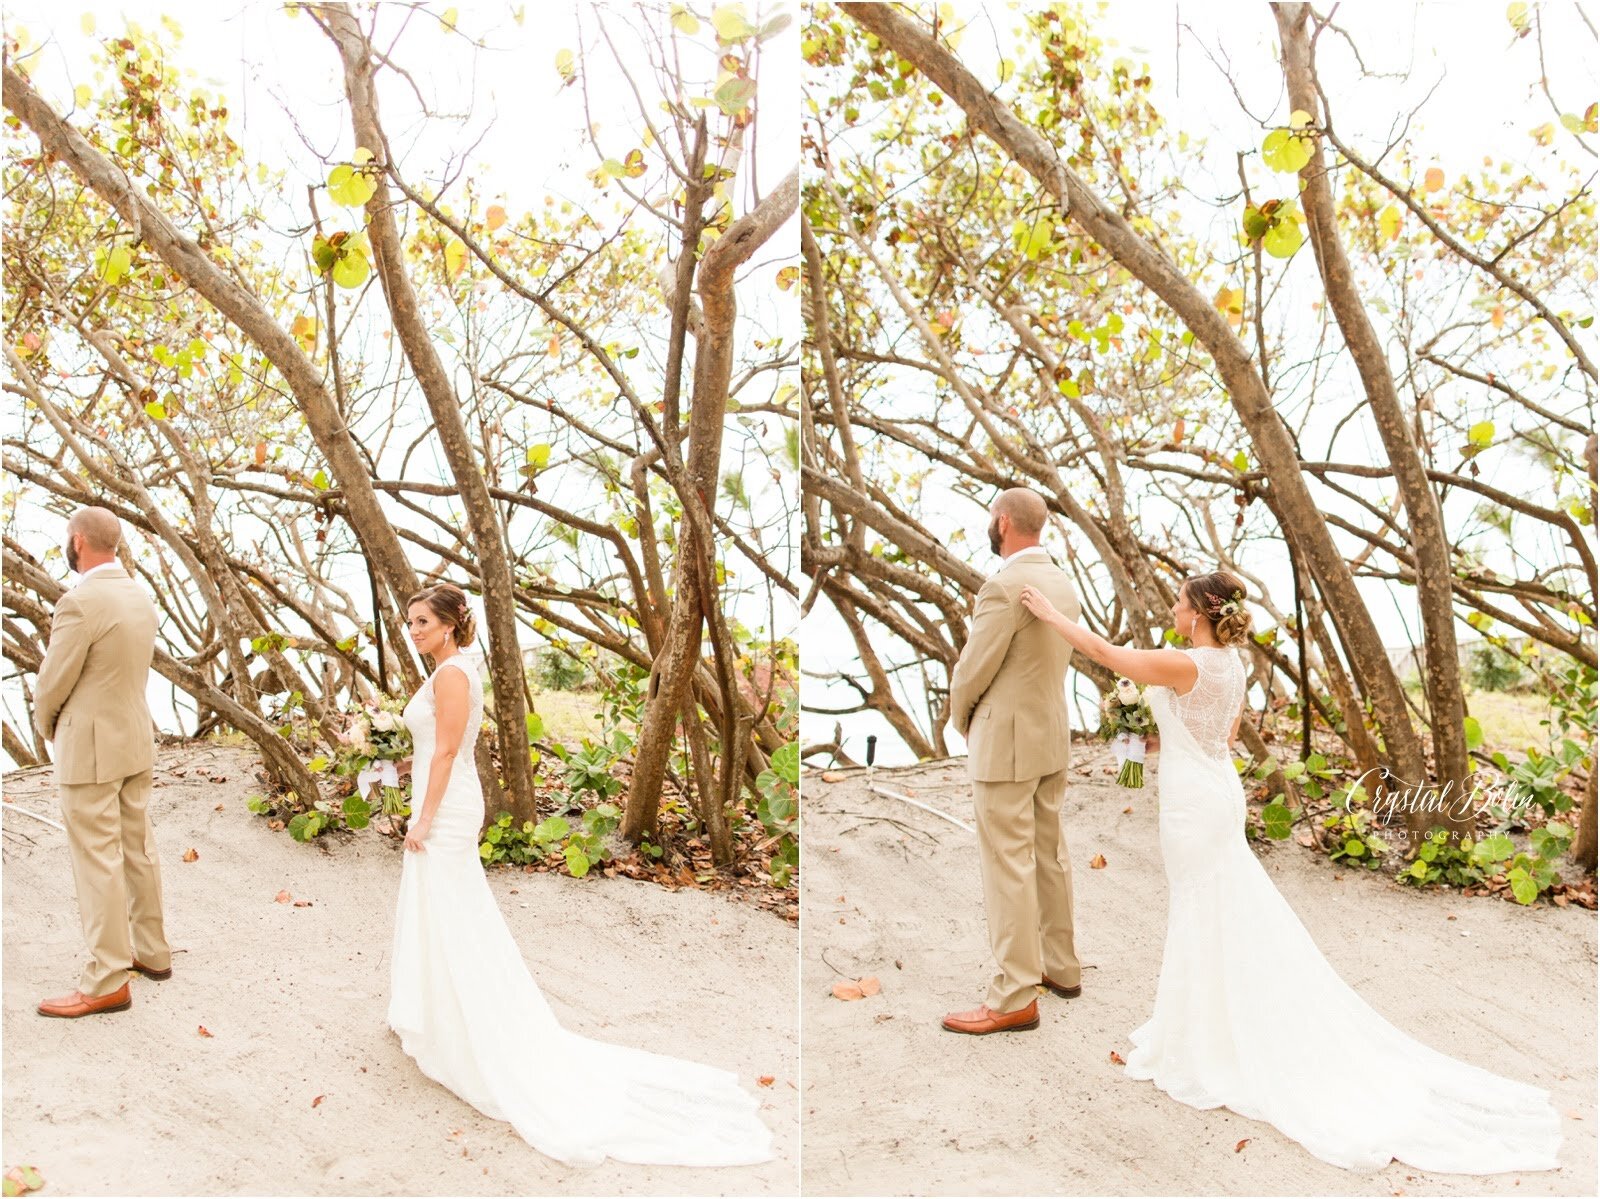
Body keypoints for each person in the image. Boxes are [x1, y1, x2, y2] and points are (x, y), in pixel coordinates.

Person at [1018, 570, 1564, 1174]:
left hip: (1190, 806)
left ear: (1199, 613)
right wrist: (1142, 741)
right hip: (1214, 790)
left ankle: (1205, 1041)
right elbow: (1215, 736)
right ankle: (1210, 1025)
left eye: (1178, 602)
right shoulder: (1233, 667)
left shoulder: (1186, 662)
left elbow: (1102, 652)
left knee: (1201, 909)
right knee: (1220, 907)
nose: (1172, 609)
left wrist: (1048, 612)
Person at [389, 582, 774, 1167]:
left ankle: (468, 1032)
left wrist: (424, 818)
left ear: (448, 624)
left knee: (456, 916)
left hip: (444, 807)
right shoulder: (454, 668)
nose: (412, 630)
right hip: (443, 799)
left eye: (421, 621)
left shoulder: (453, 674)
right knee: (443, 911)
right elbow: (433, 747)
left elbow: (445, 754)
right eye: (408, 622)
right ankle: (439, 1016)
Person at [942, 487, 1083, 1035]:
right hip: (1050, 732)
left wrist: (963, 720)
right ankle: (1061, 967)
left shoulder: (1004, 586)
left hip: (1007, 741)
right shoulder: (1060, 582)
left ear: (1002, 522)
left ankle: (1014, 995)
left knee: (1009, 865)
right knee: (1049, 853)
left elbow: (973, 669)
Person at [33, 506, 171, 1018]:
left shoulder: (79, 602)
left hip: (90, 746)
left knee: (97, 860)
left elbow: (53, 683)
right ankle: (152, 954)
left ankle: (108, 978)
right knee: (136, 846)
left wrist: (48, 726)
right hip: (135, 737)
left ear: (78, 542)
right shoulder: (140, 596)